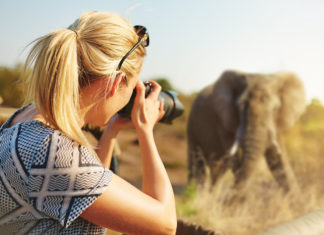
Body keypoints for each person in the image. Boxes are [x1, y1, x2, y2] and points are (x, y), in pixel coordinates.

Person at [0, 11, 177, 235]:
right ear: (115, 84)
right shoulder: (52, 152)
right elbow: (164, 224)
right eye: (132, 88)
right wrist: (145, 129)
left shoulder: (26, 116)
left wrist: (110, 131)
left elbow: (86, 188)